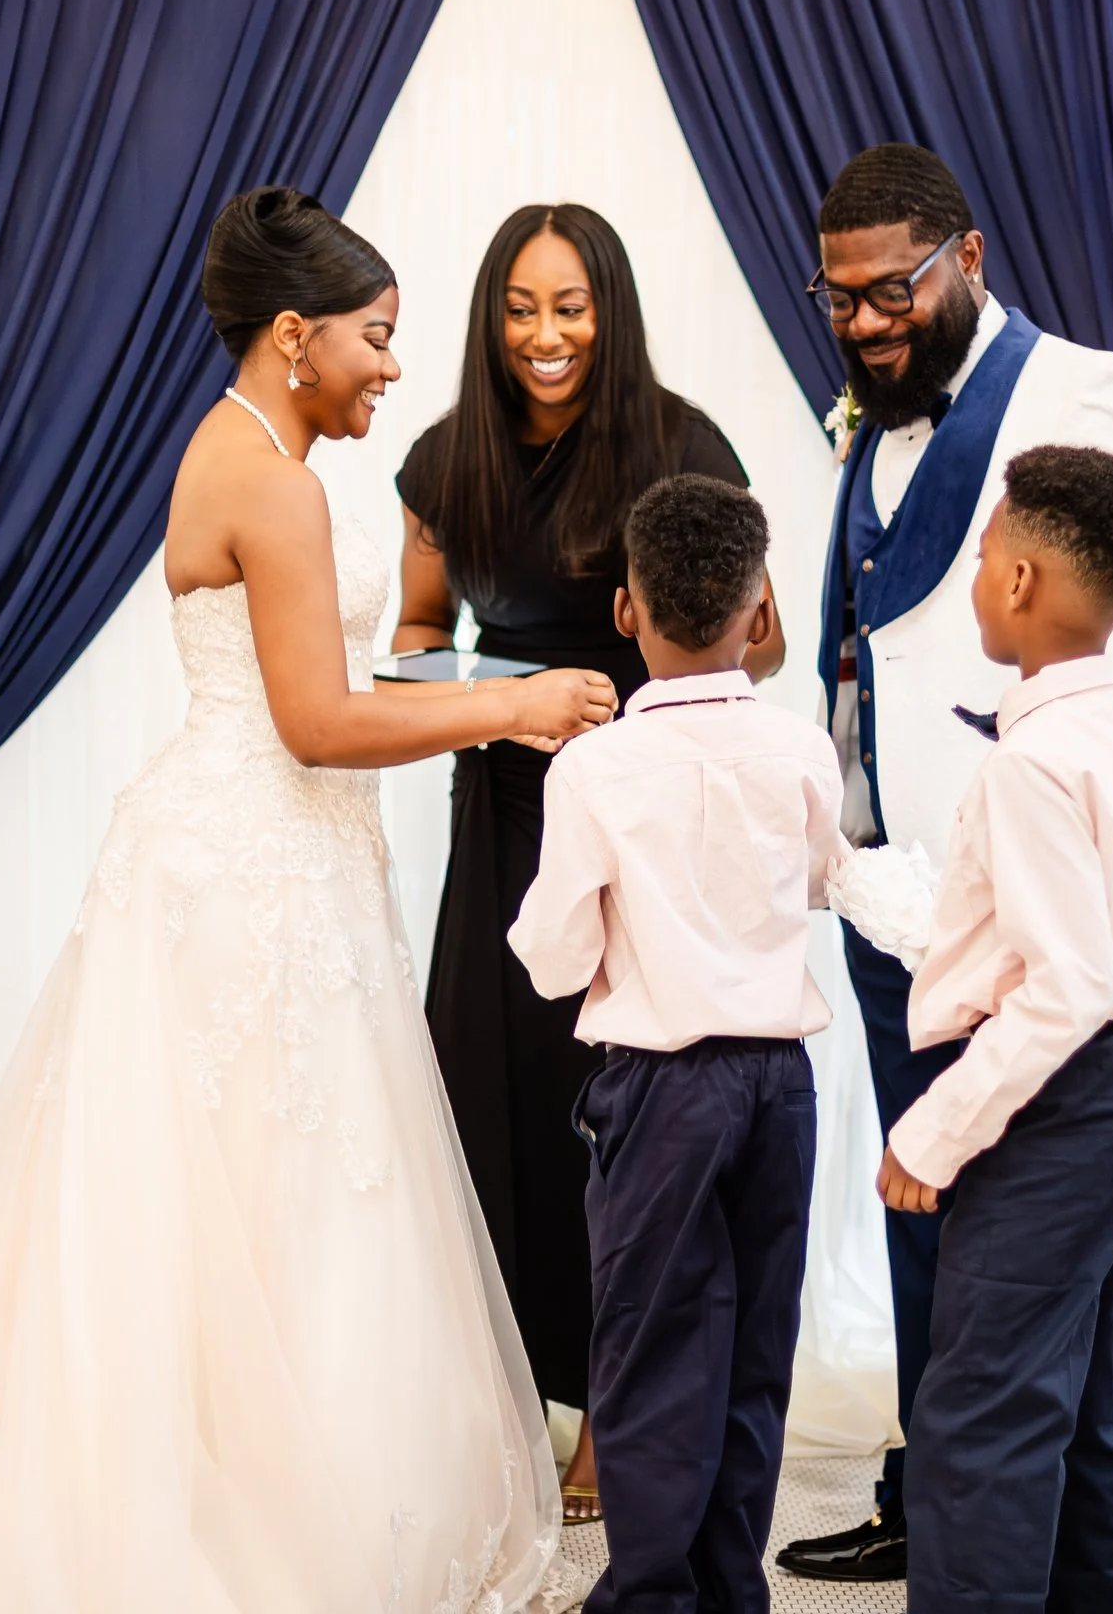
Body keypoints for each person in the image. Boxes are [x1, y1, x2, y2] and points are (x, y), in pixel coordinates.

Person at [0, 187, 612, 1612]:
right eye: (376, 338)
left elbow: (317, 687)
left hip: (252, 856)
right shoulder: (275, 480)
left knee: (257, 1209)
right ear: (296, 337)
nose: (392, 367)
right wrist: (516, 702)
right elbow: (311, 720)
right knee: (270, 1204)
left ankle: (280, 1497)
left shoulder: (239, 454)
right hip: (256, 868)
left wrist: (463, 690)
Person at [777, 143, 1113, 1584]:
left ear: (970, 258)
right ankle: (928, 1499)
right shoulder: (868, 431)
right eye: (841, 303)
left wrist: (1005, 868)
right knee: (942, 1288)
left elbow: (1103, 666)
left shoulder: (1091, 392)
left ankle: (970, 1527)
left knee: (1015, 1366)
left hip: (1026, 931)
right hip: (900, 916)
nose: (870, 323)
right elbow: (857, 648)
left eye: (894, 290)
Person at [394, 203, 783, 1522]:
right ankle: (507, 1398)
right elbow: (408, 647)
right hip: (508, 805)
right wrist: (518, 692)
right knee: (491, 1109)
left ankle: (621, 1412)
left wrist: (644, 679)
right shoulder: (447, 459)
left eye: (570, 306)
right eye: (519, 308)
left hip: (662, 812)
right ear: (489, 317)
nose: (546, 335)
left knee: (634, 1119)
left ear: (608, 310)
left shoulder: (682, 444)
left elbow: (765, 641)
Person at [506, 474, 839, 1614]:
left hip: (658, 1091)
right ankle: (726, 1591)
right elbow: (811, 883)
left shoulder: (592, 767)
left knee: (651, 1356)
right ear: (759, 616)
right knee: (755, 1349)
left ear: (623, 609)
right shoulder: (798, 749)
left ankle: (648, 1597)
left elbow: (553, 957)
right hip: (781, 1087)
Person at [877, 444, 1113, 1614]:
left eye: (978, 557)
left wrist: (933, 1132)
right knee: (1086, 1401)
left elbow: (1061, 985)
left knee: (979, 1409)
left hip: (1068, 1092)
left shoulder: (1035, 762)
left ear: (1017, 583)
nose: (971, 578)